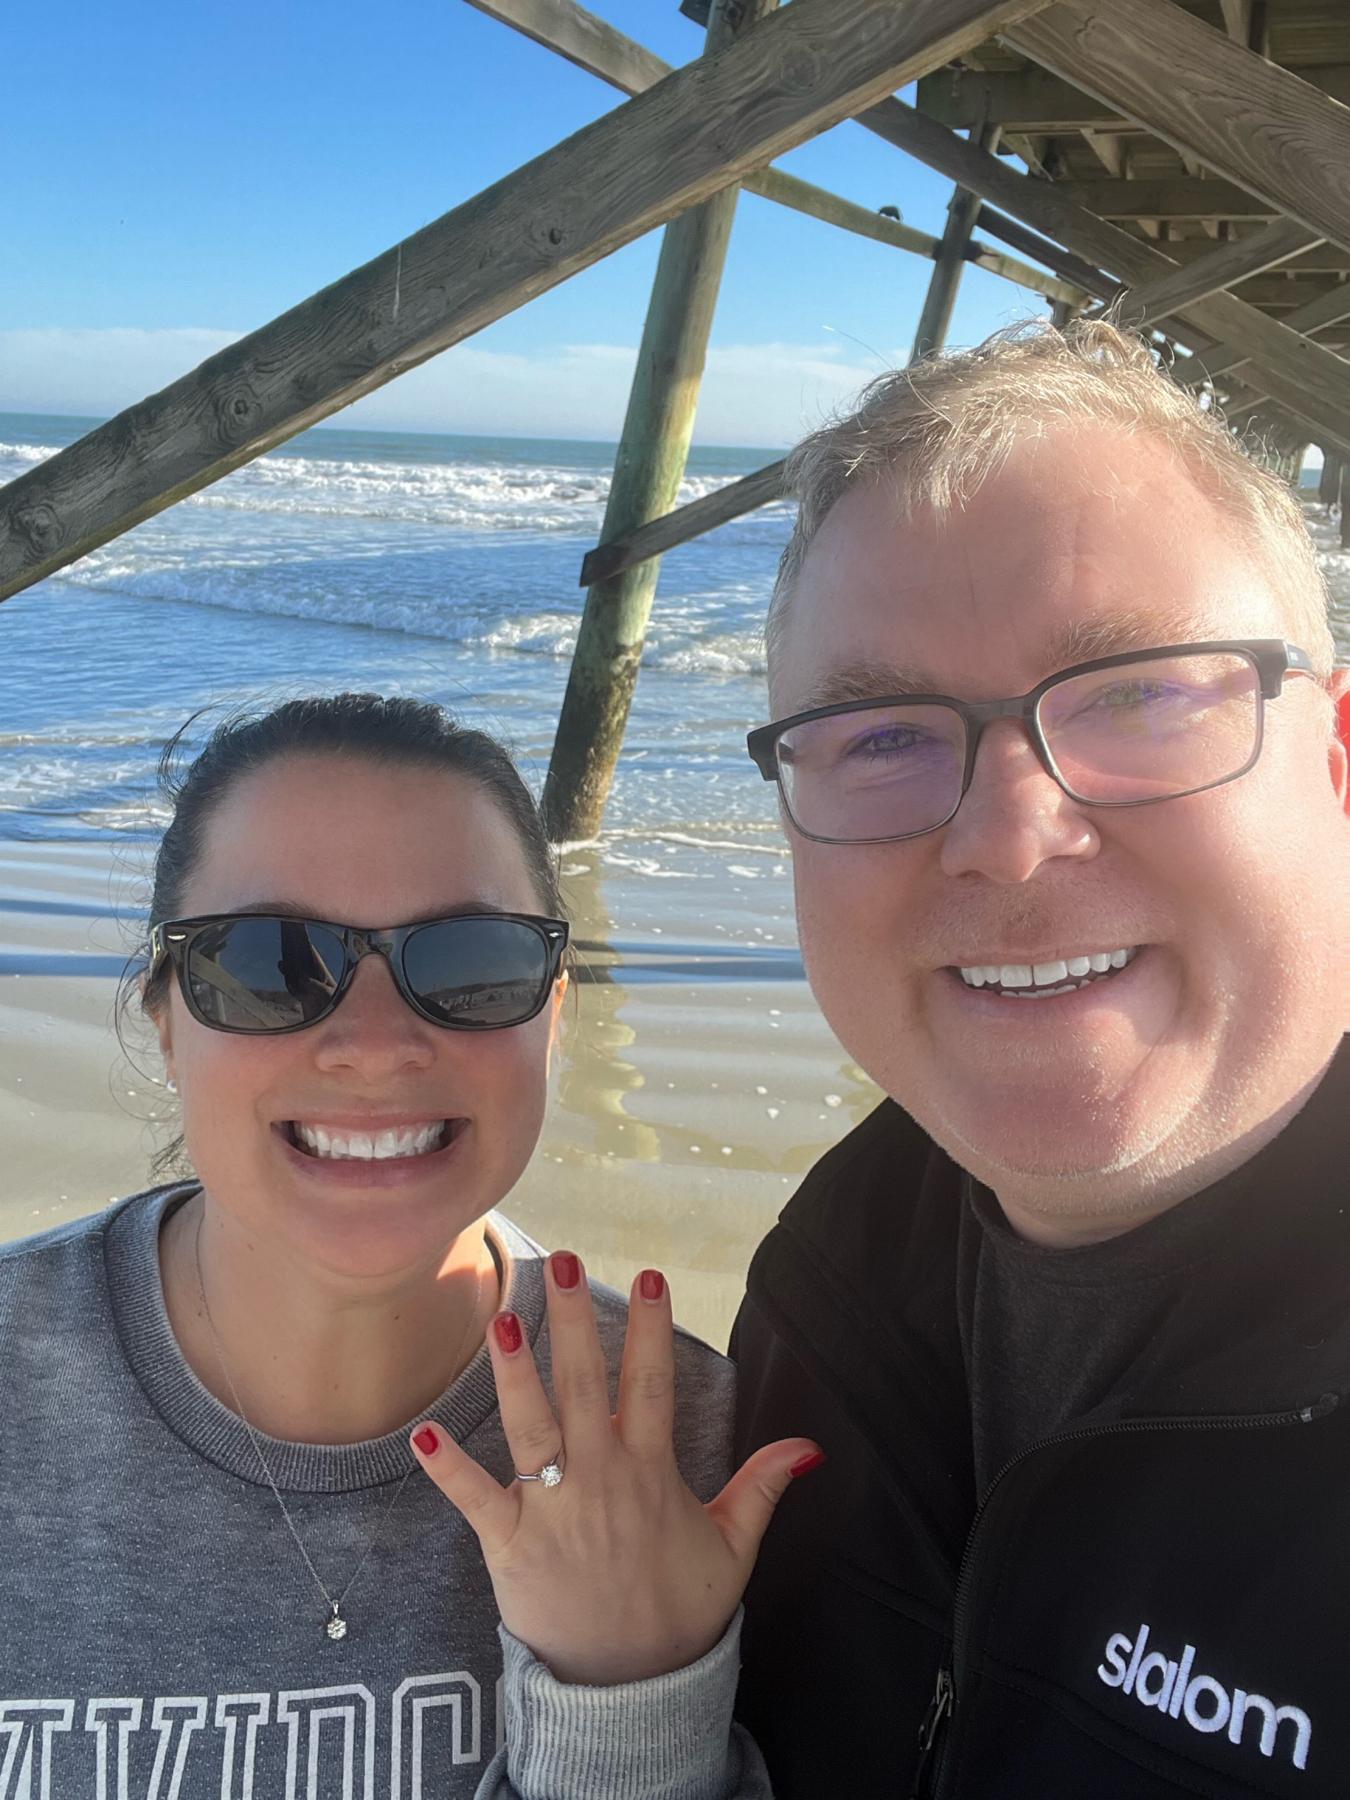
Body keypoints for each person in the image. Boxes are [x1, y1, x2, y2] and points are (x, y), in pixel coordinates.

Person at [729, 320, 1350, 1795]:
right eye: (879, 736)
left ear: (1334, 770)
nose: (1007, 838)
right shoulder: (830, 1275)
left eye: (1136, 692)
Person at [0, 693, 815, 1800]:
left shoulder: (682, 1454)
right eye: (269, 962)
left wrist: (629, 1705)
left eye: (472, 963)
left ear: (556, 1013)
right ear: (164, 1016)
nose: (375, 1046)